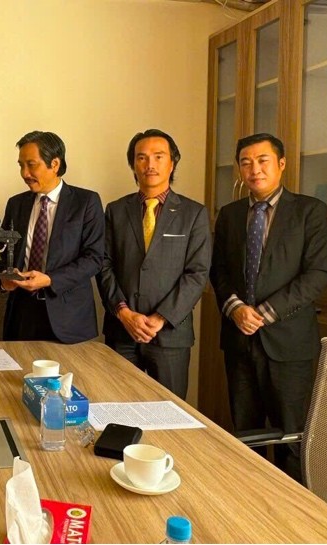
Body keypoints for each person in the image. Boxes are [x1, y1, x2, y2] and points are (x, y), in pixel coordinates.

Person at [210, 133, 327, 481]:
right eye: (246, 162)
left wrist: (265, 313)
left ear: (281, 164)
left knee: (291, 438)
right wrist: (235, 308)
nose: (254, 169)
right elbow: (218, 271)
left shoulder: (309, 211)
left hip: (289, 344)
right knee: (245, 435)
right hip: (239, 341)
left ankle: (290, 519)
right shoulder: (231, 215)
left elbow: (319, 273)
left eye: (262, 160)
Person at [98, 129, 211, 399]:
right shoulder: (115, 210)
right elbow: (104, 264)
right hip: (122, 331)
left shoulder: (194, 213)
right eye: (142, 157)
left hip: (170, 334)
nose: (150, 164)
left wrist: (160, 318)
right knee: (118, 409)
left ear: (172, 163)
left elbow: (197, 274)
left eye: (159, 157)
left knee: (170, 414)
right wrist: (124, 313)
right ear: (133, 165)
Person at [0, 131, 104, 343]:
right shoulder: (16, 204)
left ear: (54, 164)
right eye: (20, 165)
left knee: (68, 377)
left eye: (31, 164)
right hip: (21, 317)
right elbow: (3, 254)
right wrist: (5, 280)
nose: (24, 173)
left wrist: (50, 279)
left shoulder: (86, 202)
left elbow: (94, 259)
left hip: (68, 318)